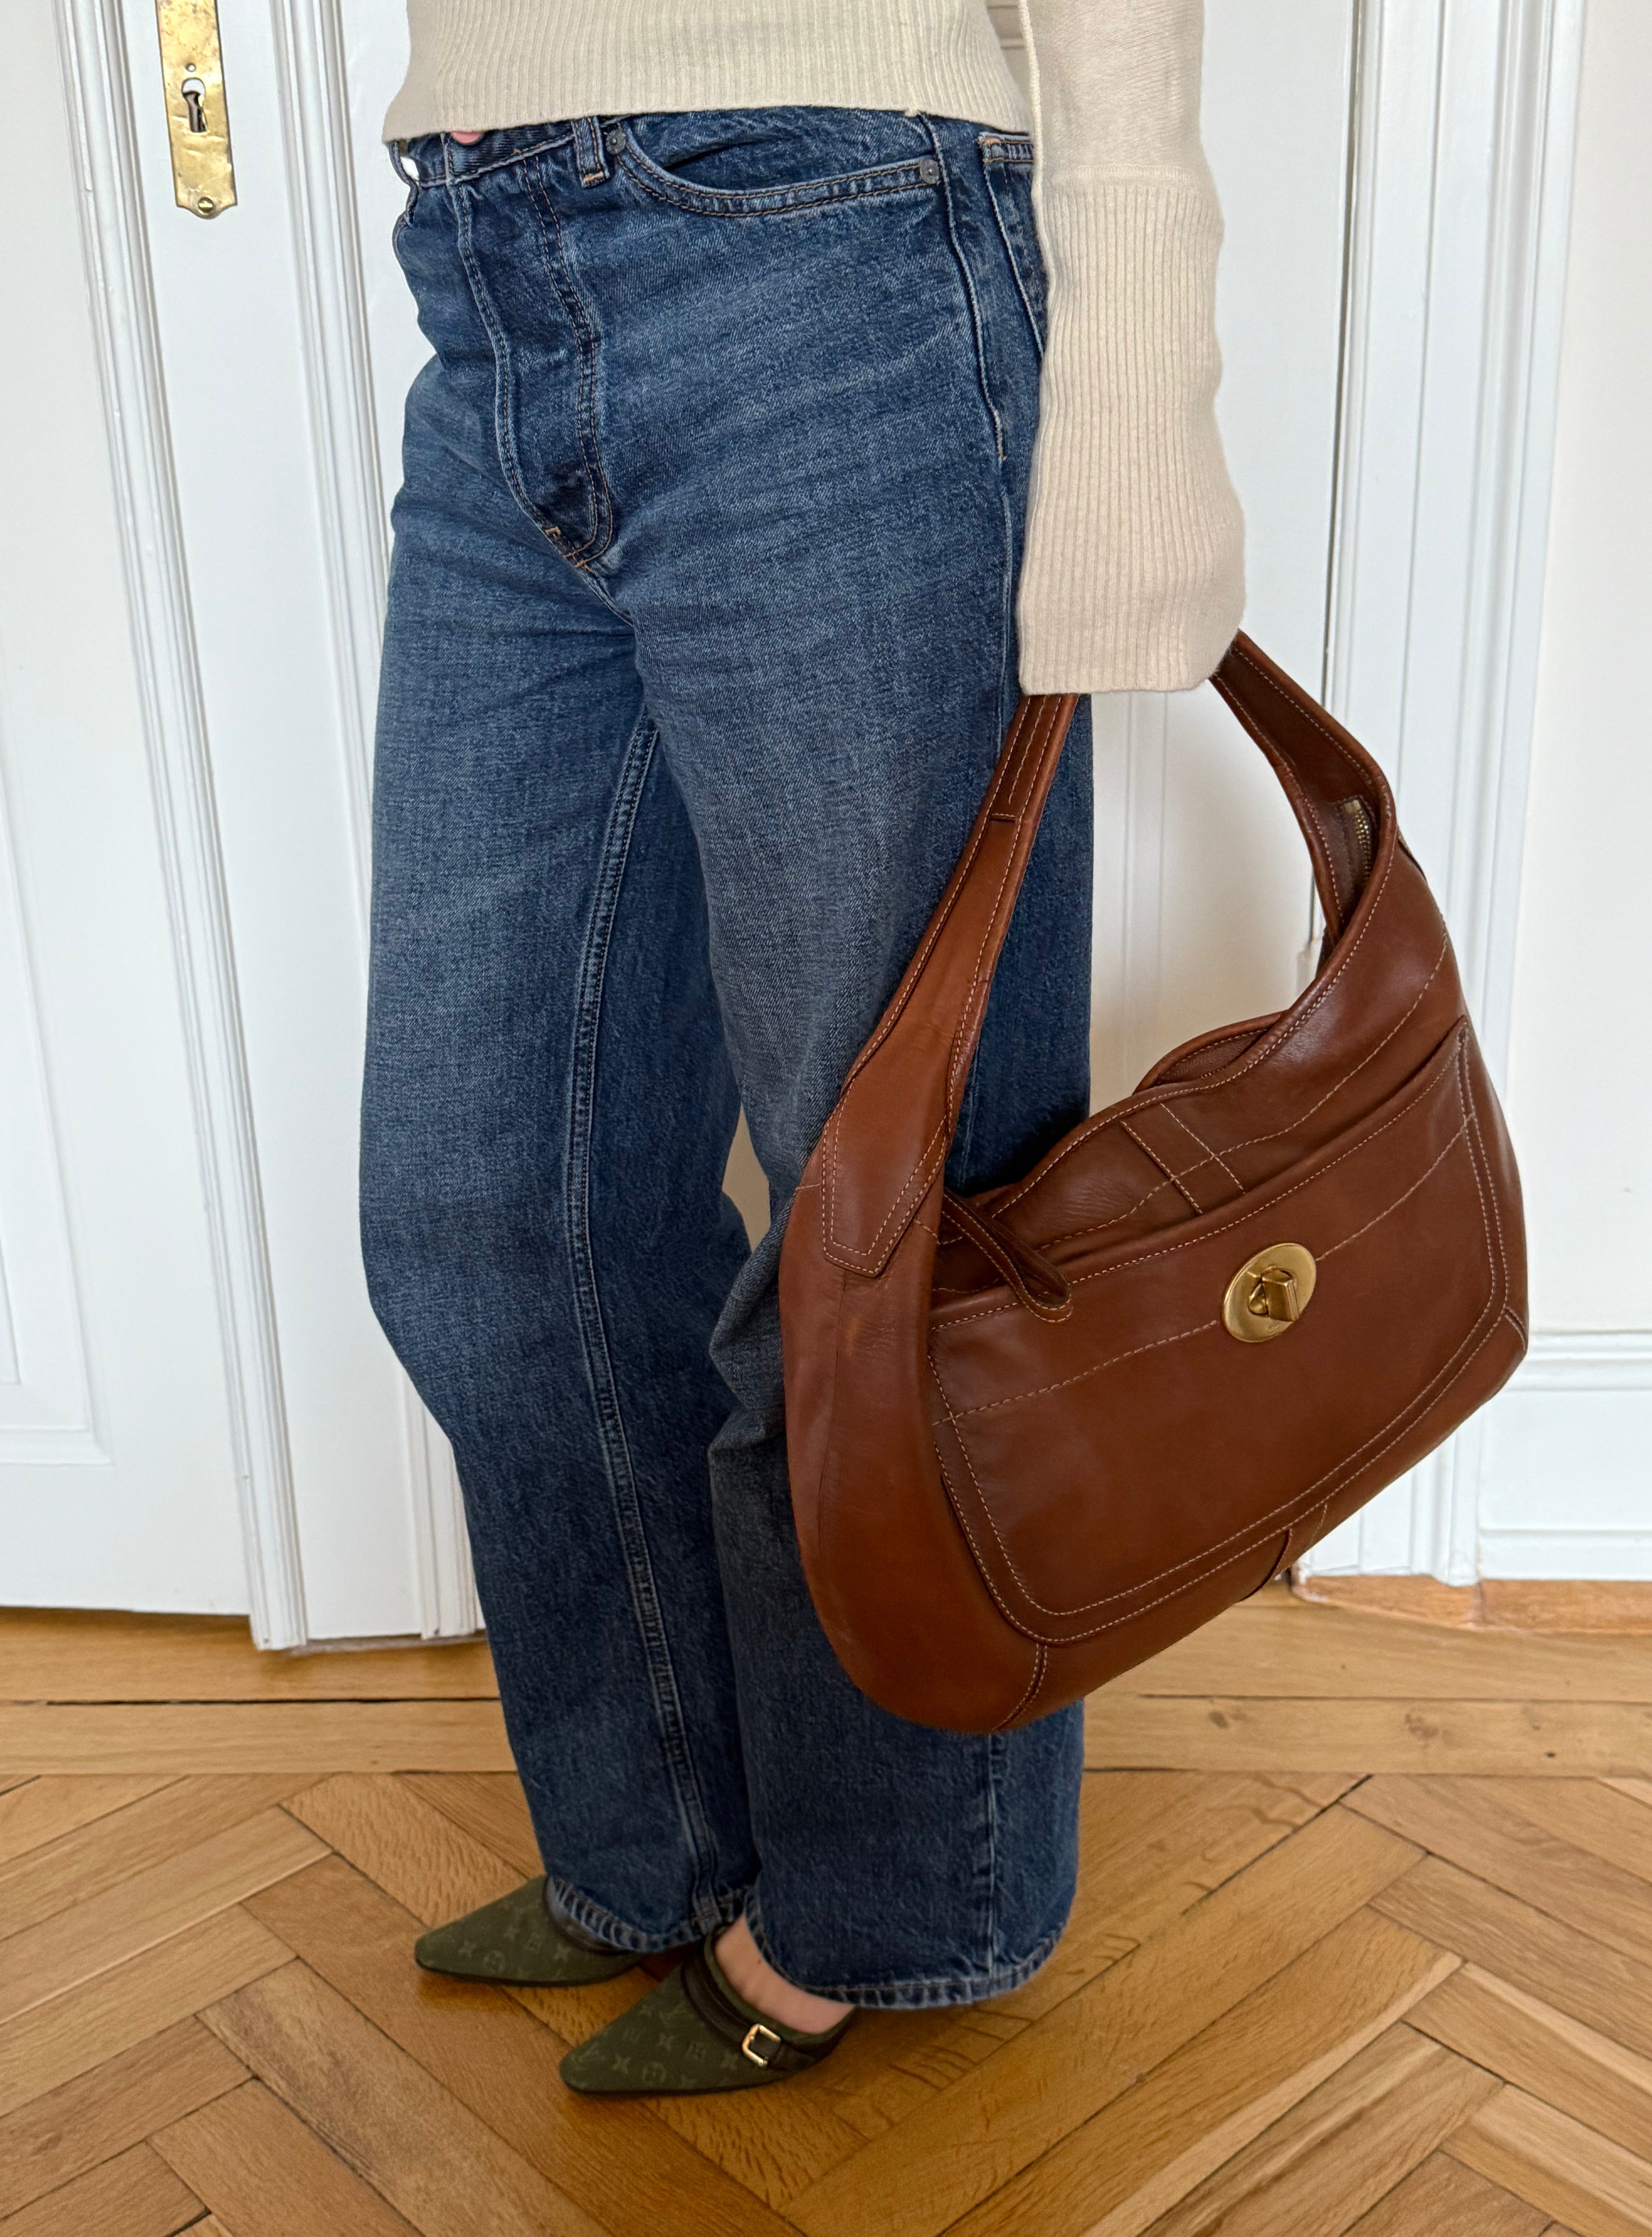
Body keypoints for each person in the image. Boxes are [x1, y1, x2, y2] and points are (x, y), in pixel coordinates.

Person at [361, 0, 1243, 2097]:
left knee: (879, 1227)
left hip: (844, 241)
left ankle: (889, 1905)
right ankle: (653, 1843)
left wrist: (1139, 352)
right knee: (485, 1201)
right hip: (482, 258)